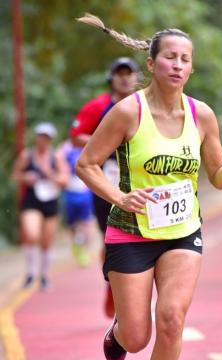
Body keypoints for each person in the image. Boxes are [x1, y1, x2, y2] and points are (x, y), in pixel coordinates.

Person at [76, 13, 222, 360]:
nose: (177, 64)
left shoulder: (202, 115)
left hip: (183, 232)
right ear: (151, 64)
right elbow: (87, 164)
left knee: (171, 318)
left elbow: (216, 178)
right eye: (169, 56)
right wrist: (119, 196)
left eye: (185, 59)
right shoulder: (126, 113)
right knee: (136, 337)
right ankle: (117, 332)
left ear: (191, 68)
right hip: (130, 233)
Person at [70, 56, 141, 316]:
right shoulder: (97, 106)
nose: (124, 77)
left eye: (129, 73)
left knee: (142, 235)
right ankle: (112, 284)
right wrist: (107, 140)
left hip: (139, 180)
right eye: (119, 73)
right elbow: (76, 136)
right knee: (111, 238)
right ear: (111, 78)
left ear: (136, 77)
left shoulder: (143, 104)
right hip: (105, 182)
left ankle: (134, 289)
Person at [12, 122, 69, 290]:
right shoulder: (27, 156)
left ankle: (44, 275)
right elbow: (15, 174)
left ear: (51, 140)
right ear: (36, 138)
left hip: (50, 201)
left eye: (47, 137)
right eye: (40, 136)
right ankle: (30, 273)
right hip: (31, 200)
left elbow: (64, 180)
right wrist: (25, 177)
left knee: (46, 241)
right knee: (31, 234)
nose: (43, 140)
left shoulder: (56, 157)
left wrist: (49, 174)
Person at [57, 140, 93, 267]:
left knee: (86, 224)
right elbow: (59, 161)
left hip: (85, 192)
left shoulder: (88, 144)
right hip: (70, 193)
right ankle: (76, 244)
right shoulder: (65, 148)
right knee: (72, 225)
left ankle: (85, 252)